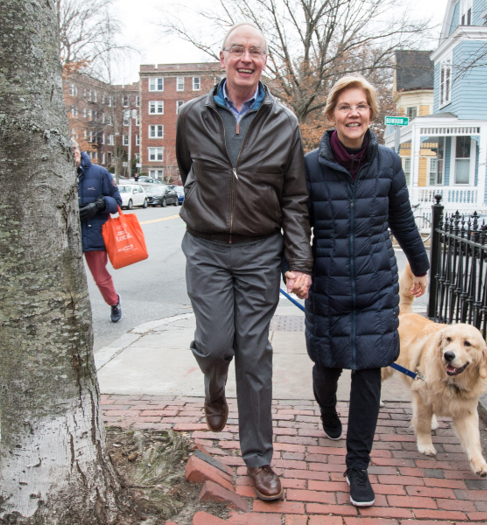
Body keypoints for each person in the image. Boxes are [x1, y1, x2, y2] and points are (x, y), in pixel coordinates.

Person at [175, 22, 312, 502]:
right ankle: (214, 388)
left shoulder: (285, 121)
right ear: (222, 57)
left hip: (259, 251)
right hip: (208, 248)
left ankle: (260, 459)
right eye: (238, 50)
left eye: (255, 51)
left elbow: (295, 198)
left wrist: (300, 262)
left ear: (265, 61)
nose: (246, 58)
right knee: (215, 345)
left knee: (255, 354)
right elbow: (187, 169)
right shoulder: (191, 115)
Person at [303, 76, 430, 508]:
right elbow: (299, 226)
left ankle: (357, 467)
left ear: (371, 114)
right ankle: (326, 410)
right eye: (344, 106)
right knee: (326, 368)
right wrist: (296, 268)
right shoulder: (310, 166)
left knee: (369, 373)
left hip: (376, 285)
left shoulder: (389, 163)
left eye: (361, 106)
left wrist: (421, 265)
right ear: (332, 115)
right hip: (329, 285)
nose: (353, 113)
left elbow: (403, 220)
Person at [74, 139, 123, 322]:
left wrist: (99, 204)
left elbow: (117, 202)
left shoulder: (100, 173)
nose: (74, 153)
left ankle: (114, 302)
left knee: (100, 278)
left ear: (79, 150)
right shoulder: (57, 175)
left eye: (75, 149)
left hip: (94, 234)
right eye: (69, 150)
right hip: (68, 236)